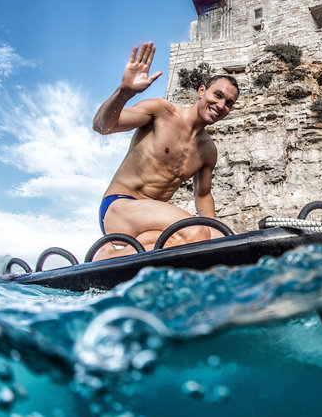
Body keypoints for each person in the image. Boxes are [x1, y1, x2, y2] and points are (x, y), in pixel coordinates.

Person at [92, 41, 239, 259]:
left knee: (226, 238)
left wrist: (222, 234)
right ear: (201, 91)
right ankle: (108, 256)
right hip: (120, 206)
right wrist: (124, 93)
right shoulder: (162, 112)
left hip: (153, 223)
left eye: (229, 103)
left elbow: (203, 194)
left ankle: (111, 255)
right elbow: (103, 126)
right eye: (217, 95)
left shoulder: (208, 150)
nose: (221, 105)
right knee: (196, 231)